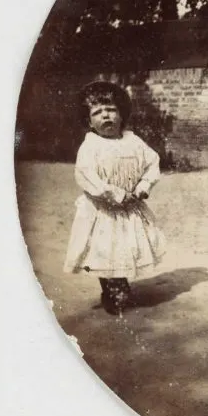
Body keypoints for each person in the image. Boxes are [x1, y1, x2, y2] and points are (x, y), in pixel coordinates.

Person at [62, 80, 167, 314]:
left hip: (130, 207)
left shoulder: (133, 141)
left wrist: (143, 186)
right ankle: (114, 291)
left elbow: (152, 163)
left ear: (121, 114)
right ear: (89, 121)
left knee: (125, 247)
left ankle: (119, 287)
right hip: (103, 210)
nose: (105, 116)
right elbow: (87, 176)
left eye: (110, 110)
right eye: (97, 113)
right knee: (105, 250)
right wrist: (116, 194)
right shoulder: (90, 146)